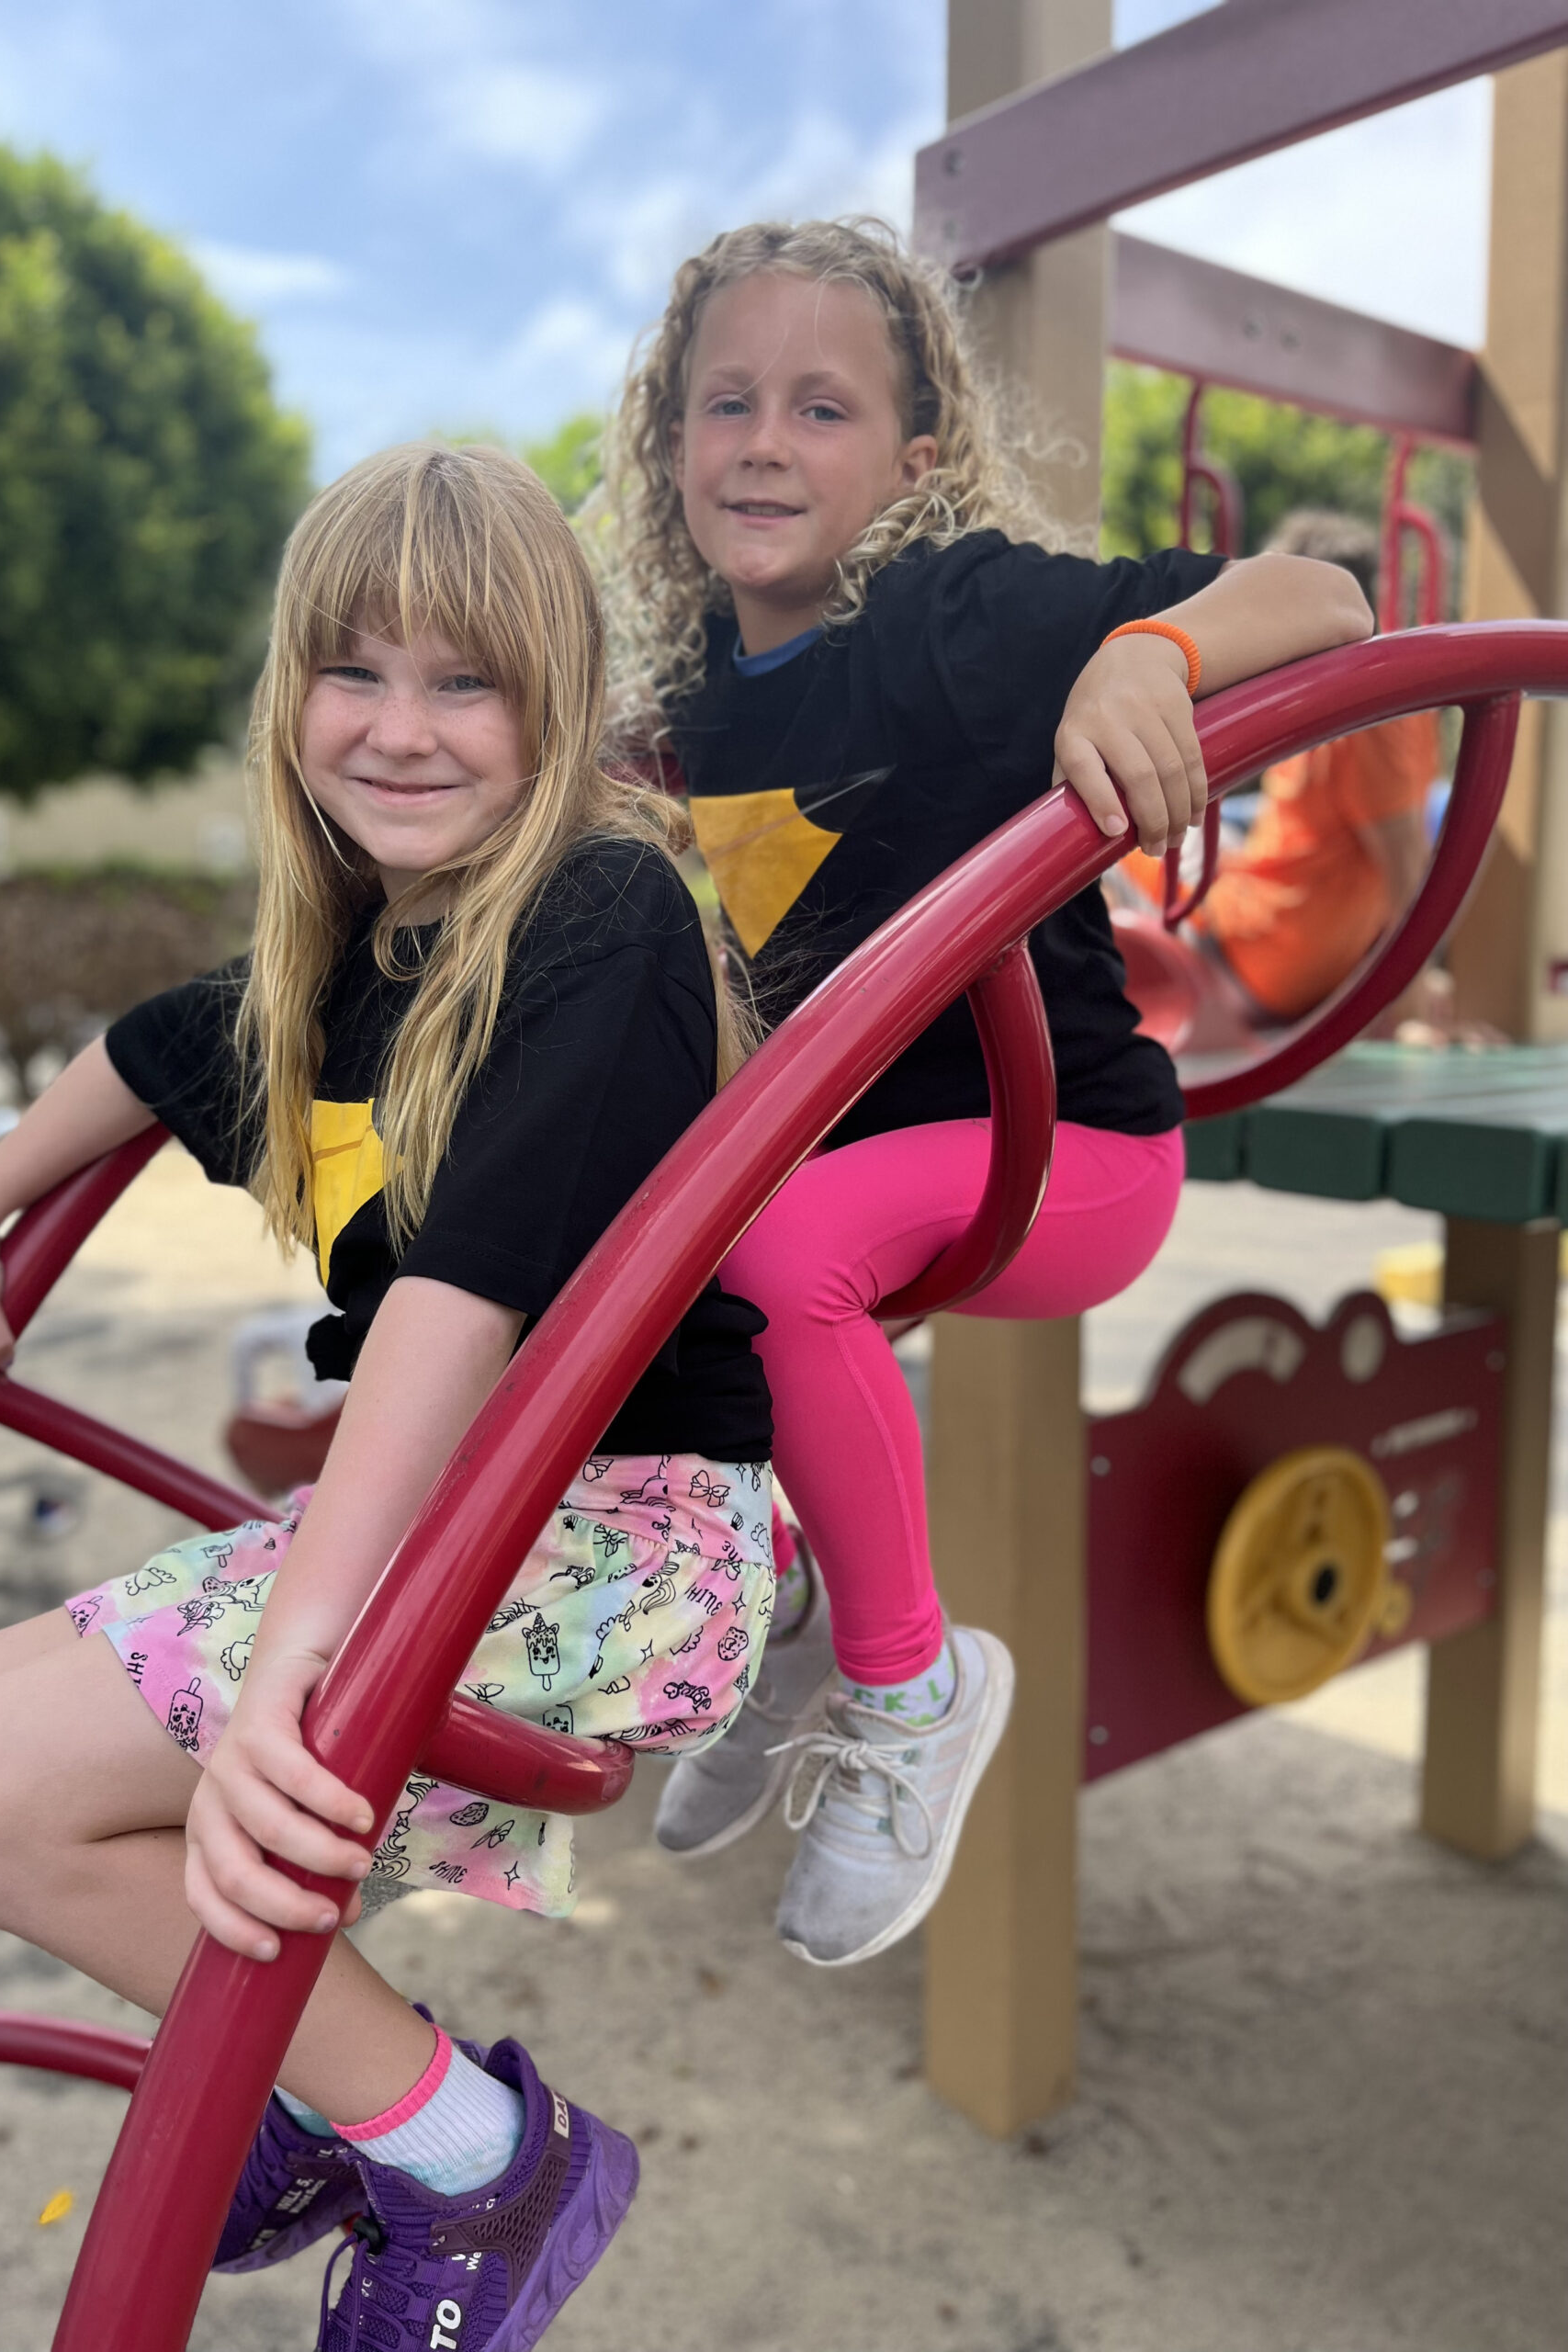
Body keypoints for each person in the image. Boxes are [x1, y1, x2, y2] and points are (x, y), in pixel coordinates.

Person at [0, 444, 776, 2346]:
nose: (399, 729)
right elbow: (146, 1050)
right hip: (465, 1508)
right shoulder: (348, 954)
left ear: (557, 704)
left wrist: (309, 1640)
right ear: (291, 692)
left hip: (618, 1521)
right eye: (351, 671)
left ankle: (475, 2157)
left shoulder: (598, 917)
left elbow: (465, 1303)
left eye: (466, 681)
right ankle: (330, 2105)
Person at [599, 217, 1371, 1970]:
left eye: (823, 408)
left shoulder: (954, 614)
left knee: (763, 1245)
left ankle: (916, 1684)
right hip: (852, 1184)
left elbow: (1332, 603)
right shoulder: (683, 703)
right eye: (726, 405)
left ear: (912, 463)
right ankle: (778, 1602)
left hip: (1068, 1153)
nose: (767, 444)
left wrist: (1148, 654)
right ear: (668, 448)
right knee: (628, 1244)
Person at [1122, 510, 1438, 1022]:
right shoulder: (1396, 702)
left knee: (1104, 832)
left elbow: (1407, 872)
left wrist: (1414, 1011)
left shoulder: (1369, 720)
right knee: (1213, 832)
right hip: (1285, 937)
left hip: (1257, 951)